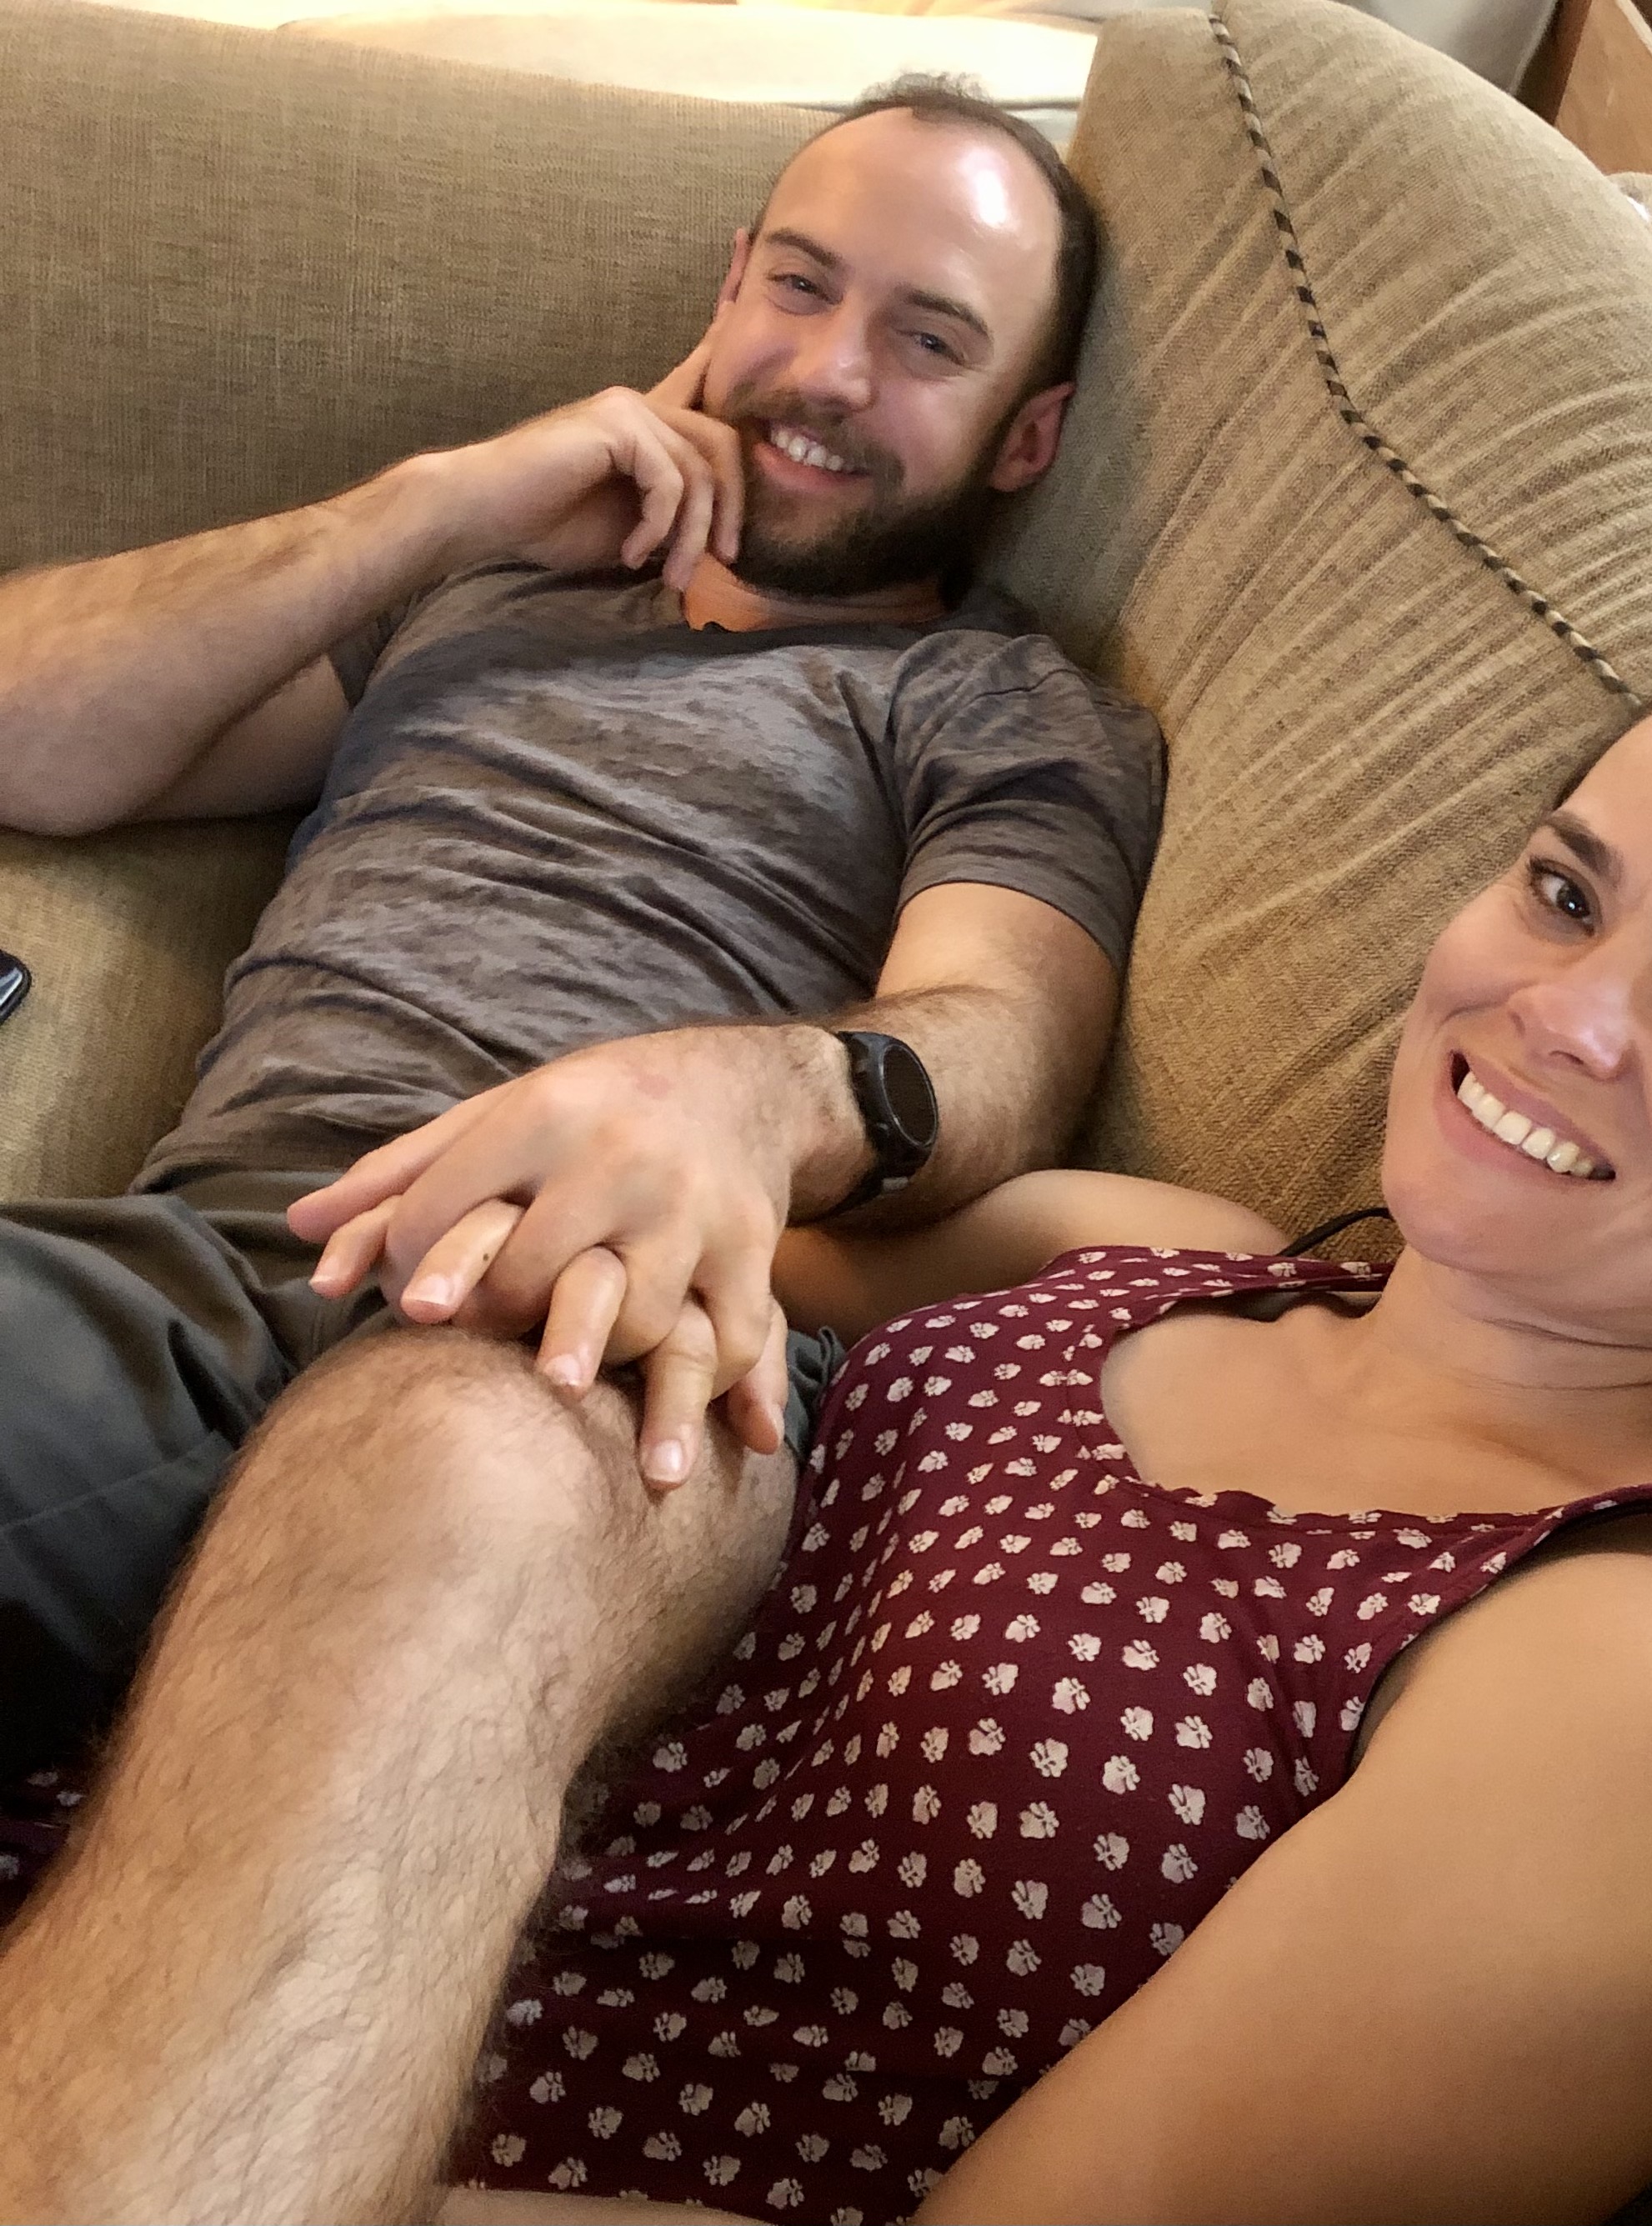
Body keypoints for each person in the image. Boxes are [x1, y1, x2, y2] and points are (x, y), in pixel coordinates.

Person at [3, 611, 1652, 2226]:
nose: (1561, 1012)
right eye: (1561, 890)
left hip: (338, 2154)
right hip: (122, 1924)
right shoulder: (1157, 1250)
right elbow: (601, 1286)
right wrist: (700, 1118)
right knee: (474, 1423)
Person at [0, 79, 1164, 1777]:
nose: (829, 372)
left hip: (554, 1322)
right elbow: (33, 739)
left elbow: (1008, 1038)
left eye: (927, 341)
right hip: (233, 1256)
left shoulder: (998, 702)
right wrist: (438, 504)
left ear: (1027, 438)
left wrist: (749, 1095)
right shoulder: (487, 585)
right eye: (799, 286)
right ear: (729, 284)